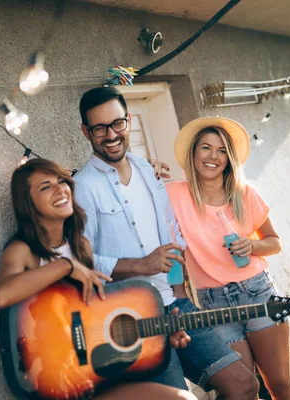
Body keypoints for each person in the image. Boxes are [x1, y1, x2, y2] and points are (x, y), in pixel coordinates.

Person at [73, 86, 259, 399]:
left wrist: (179, 289)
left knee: (244, 385)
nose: (111, 134)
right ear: (85, 132)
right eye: (100, 128)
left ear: (129, 121)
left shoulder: (147, 169)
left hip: (175, 305)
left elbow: (169, 237)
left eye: (117, 123)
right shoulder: (83, 187)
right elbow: (80, 261)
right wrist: (140, 265)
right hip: (130, 319)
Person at [0, 158, 198, 400]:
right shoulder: (22, 250)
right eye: (45, 187)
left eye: (62, 181)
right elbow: (3, 294)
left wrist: (161, 335)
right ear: (27, 202)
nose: (60, 190)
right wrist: (66, 266)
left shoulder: (81, 246)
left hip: (96, 376)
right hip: (53, 380)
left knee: (184, 398)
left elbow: (93, 319)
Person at [165, 117, 290, 400]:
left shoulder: (245, 193)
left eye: (222, 150)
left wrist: (251, 245)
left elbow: (274, 242)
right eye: (206, 148)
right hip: (214, 304)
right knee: (242, 390)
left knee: (280, 386)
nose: (213, 156)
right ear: (194, 153)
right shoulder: (174, 194)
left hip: (258, 293)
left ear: (229, 158)